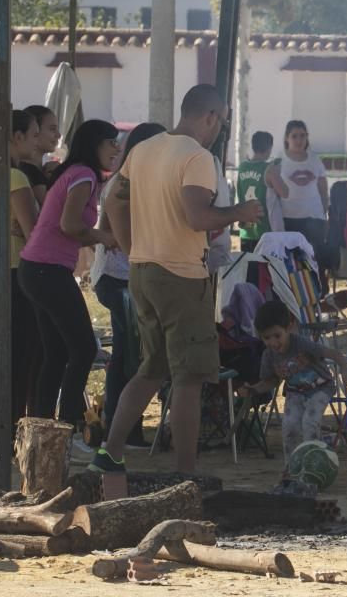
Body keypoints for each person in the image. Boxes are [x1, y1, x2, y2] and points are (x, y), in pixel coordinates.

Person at [91, 85, 262, 476]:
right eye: (222, 120)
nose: (220, 129)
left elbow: (114, 198)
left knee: (151, 368)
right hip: (182, 277)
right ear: (211, 116)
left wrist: (133, 244)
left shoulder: (144, 150)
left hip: (143, 272)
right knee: (190, 376)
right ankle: (186, 474)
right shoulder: (197, 157)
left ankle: (109, 452)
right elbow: (198, 218)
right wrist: (240, 212)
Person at [18, 119, 120, 459]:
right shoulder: (84, 175)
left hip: (37, 269)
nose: (116, 150)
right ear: (94, 146)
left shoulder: (75, 171)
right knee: (82, 350)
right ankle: (67, 431)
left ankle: (43, 435)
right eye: (111, 143)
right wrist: (104, 237)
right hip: (46, 270)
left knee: (57, 354)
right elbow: (70, 225)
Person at [91, 122, 166, 450]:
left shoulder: (139, 183)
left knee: (129, 353)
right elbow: (127, 242)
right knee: (128, 355)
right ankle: (121, 430)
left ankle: (119, 427)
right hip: (118, 278)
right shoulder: (123, 186)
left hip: (126, 276)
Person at [0, 109, 42, 453]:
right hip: (10, 269)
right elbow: (35, 232)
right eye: (32, 134)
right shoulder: (15, 176)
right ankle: (4, 429)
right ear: (15, 138)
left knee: (5, 350)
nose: (36, 140)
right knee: (16, 352)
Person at [237, 300, 347, 462]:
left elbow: (334, 354)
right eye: (266, 338)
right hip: (295, 391)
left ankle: (313, 464)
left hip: (320, 387)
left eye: (277, 336)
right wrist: (253, 389)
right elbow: (271, 381)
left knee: (309, 422)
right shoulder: (268, 355)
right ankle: (292, 468)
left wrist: (345, 368)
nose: (273, 342)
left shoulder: (301, 344)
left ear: (289, 328)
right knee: (289, 426)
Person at [278, 120, 330, 271]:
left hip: (314, 219)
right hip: (289, 219)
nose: (299, 140)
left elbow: (323, 190)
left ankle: (316, 292)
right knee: (292, 265)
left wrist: (324, 214)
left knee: (313, 262)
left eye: (303, 136)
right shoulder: (279, 160)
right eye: (294, 136)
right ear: (287, 138)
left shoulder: (315, 159)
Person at [236, 131, 288, 251]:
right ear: (269, 148)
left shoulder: (242, 167)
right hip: (266, 231)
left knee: (249, 267)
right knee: (267, 268)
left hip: (246, 230)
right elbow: (285, 193)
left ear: (253, 146)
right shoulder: (268, 169)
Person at [20, 105, 61, 204]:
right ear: (34, 131)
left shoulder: (37, 171)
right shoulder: (29, 172)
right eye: (52, 129)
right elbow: (51, 212)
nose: (59, 135)